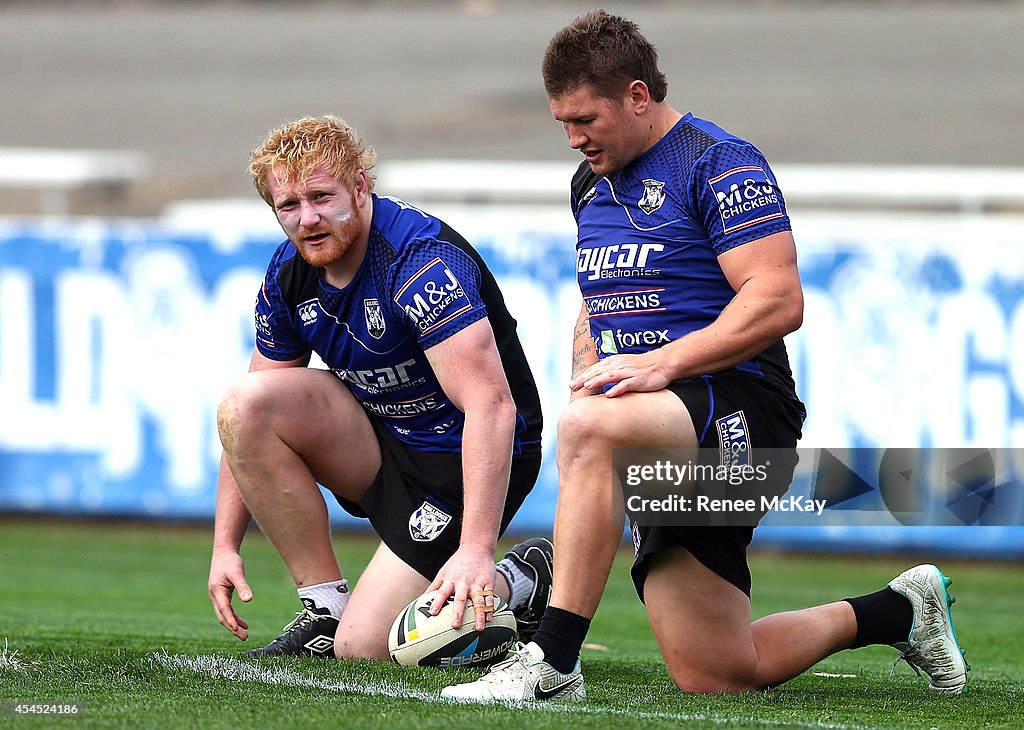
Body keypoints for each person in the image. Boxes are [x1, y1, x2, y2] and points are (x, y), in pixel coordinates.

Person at [442, 10, 968, 701]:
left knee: (590, 430)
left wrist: (665, 366)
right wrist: (585, 382)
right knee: (716, 671)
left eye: (585, 120)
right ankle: (902, 609)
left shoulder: (721, 161)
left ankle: (553, 663)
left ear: (638, 95)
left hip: (743, 416)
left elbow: (778, 298)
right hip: (658, 425)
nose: (573, 139)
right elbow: (598, 300)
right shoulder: (590, 185)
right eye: (561, 124)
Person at [207, 115, 552, 659]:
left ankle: (522, 579)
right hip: (384, 441)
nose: (308, 219)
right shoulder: (288, 274)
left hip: (466, 458)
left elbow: (492, 406)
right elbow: (242, 423)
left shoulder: (421, 263)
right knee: (245, 405)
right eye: (289, 206)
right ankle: (323, 609)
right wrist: (225, 545)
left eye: (322, 196)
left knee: (365, 649)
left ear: (362, 188)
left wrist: (476, 549)